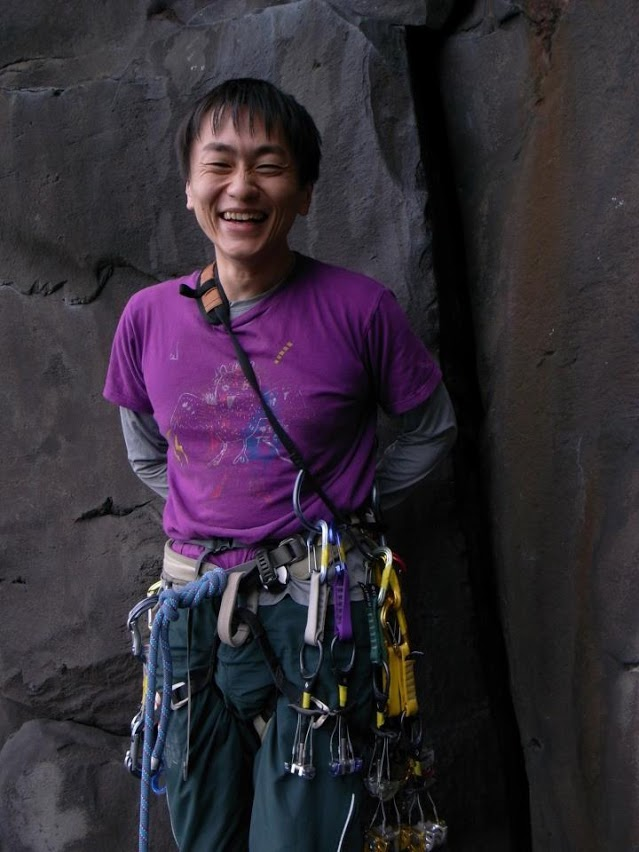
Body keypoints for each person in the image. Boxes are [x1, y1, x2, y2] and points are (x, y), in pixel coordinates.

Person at [104, 77, 456, 852]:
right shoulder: (147, 318)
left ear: (303, 193)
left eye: (268, 166)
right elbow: (146, 449)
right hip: (191, 614)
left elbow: (432, 428)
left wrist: (346, 503)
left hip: (315, 611)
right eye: (219, 164)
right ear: (189, 186)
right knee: (202, 836)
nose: (241, 187)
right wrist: (207, 513)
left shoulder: (359, 310)